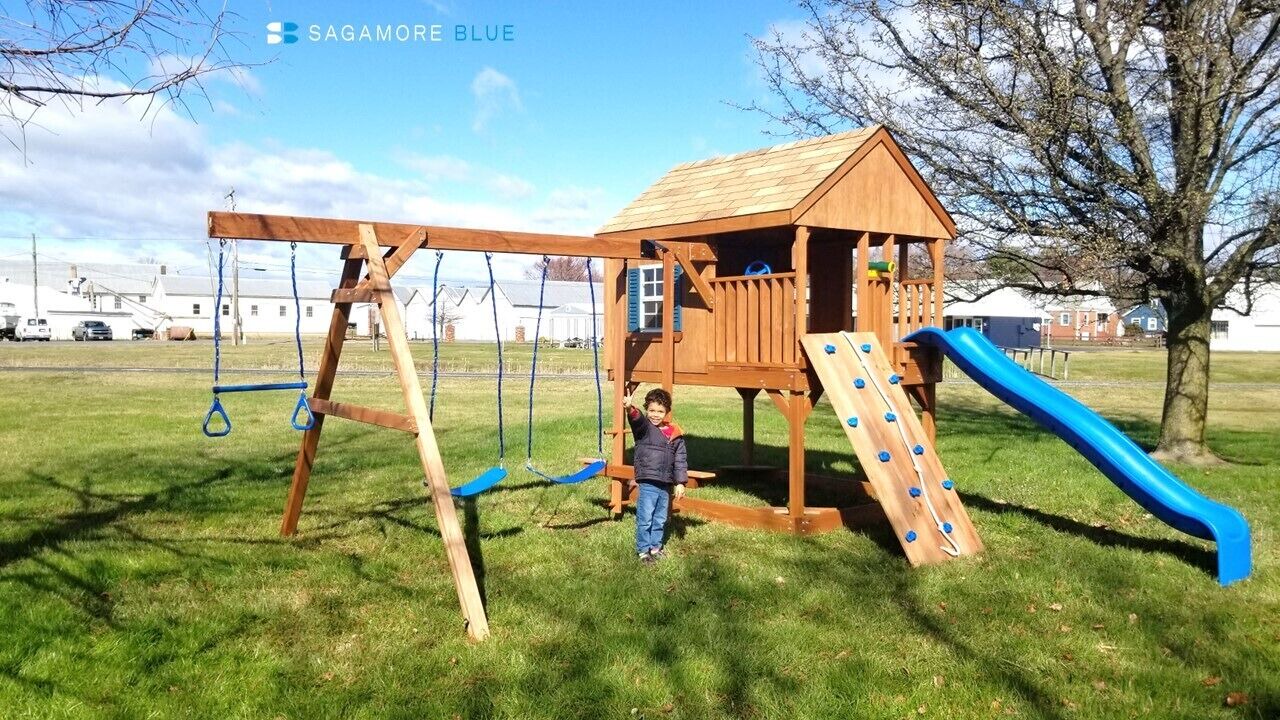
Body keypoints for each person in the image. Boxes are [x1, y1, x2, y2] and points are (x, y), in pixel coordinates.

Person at [623, 386, 688, 563]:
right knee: (645, 518)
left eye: (660, 411)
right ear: (646, 409)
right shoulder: (644, 430)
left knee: (660, 519)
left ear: (667, 412)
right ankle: (643, 551)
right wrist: (630, 408)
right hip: (648, 483)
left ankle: (655, 547)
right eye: (651, 410)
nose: (655, 415)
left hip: (665, 484)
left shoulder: (675, 434)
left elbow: (680, 460)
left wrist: (680, 482)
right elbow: (637, 420)